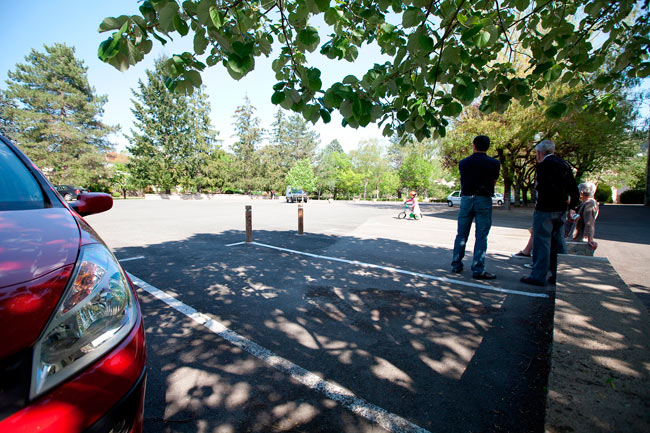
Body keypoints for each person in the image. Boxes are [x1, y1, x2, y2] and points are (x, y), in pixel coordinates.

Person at [521, 140, 579, 286]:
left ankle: (538, 276)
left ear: (539, 153)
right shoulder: (564, 165)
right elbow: (573, 187)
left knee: (542, 243)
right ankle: (558, 273)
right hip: (561, 209)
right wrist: (572, 206)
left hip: (545, 209)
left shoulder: (543, 166)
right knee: (558, 243)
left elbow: (541, 188)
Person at [451, 135, 501, 280]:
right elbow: (494, 180)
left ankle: (456, 264)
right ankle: (478, 269)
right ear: (488, 147)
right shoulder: (494, 163)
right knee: (481, 236)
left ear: (474, 146)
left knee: (461, 234)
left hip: (466, 199)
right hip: (483, 199)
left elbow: (462, 180)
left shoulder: (464, 163)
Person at [570, 182, 599, 250]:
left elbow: (589, 221)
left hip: (579, 238)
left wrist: (589, 238)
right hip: (579, 238)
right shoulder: (586, 203)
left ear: (582, 193)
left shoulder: (589, 203)